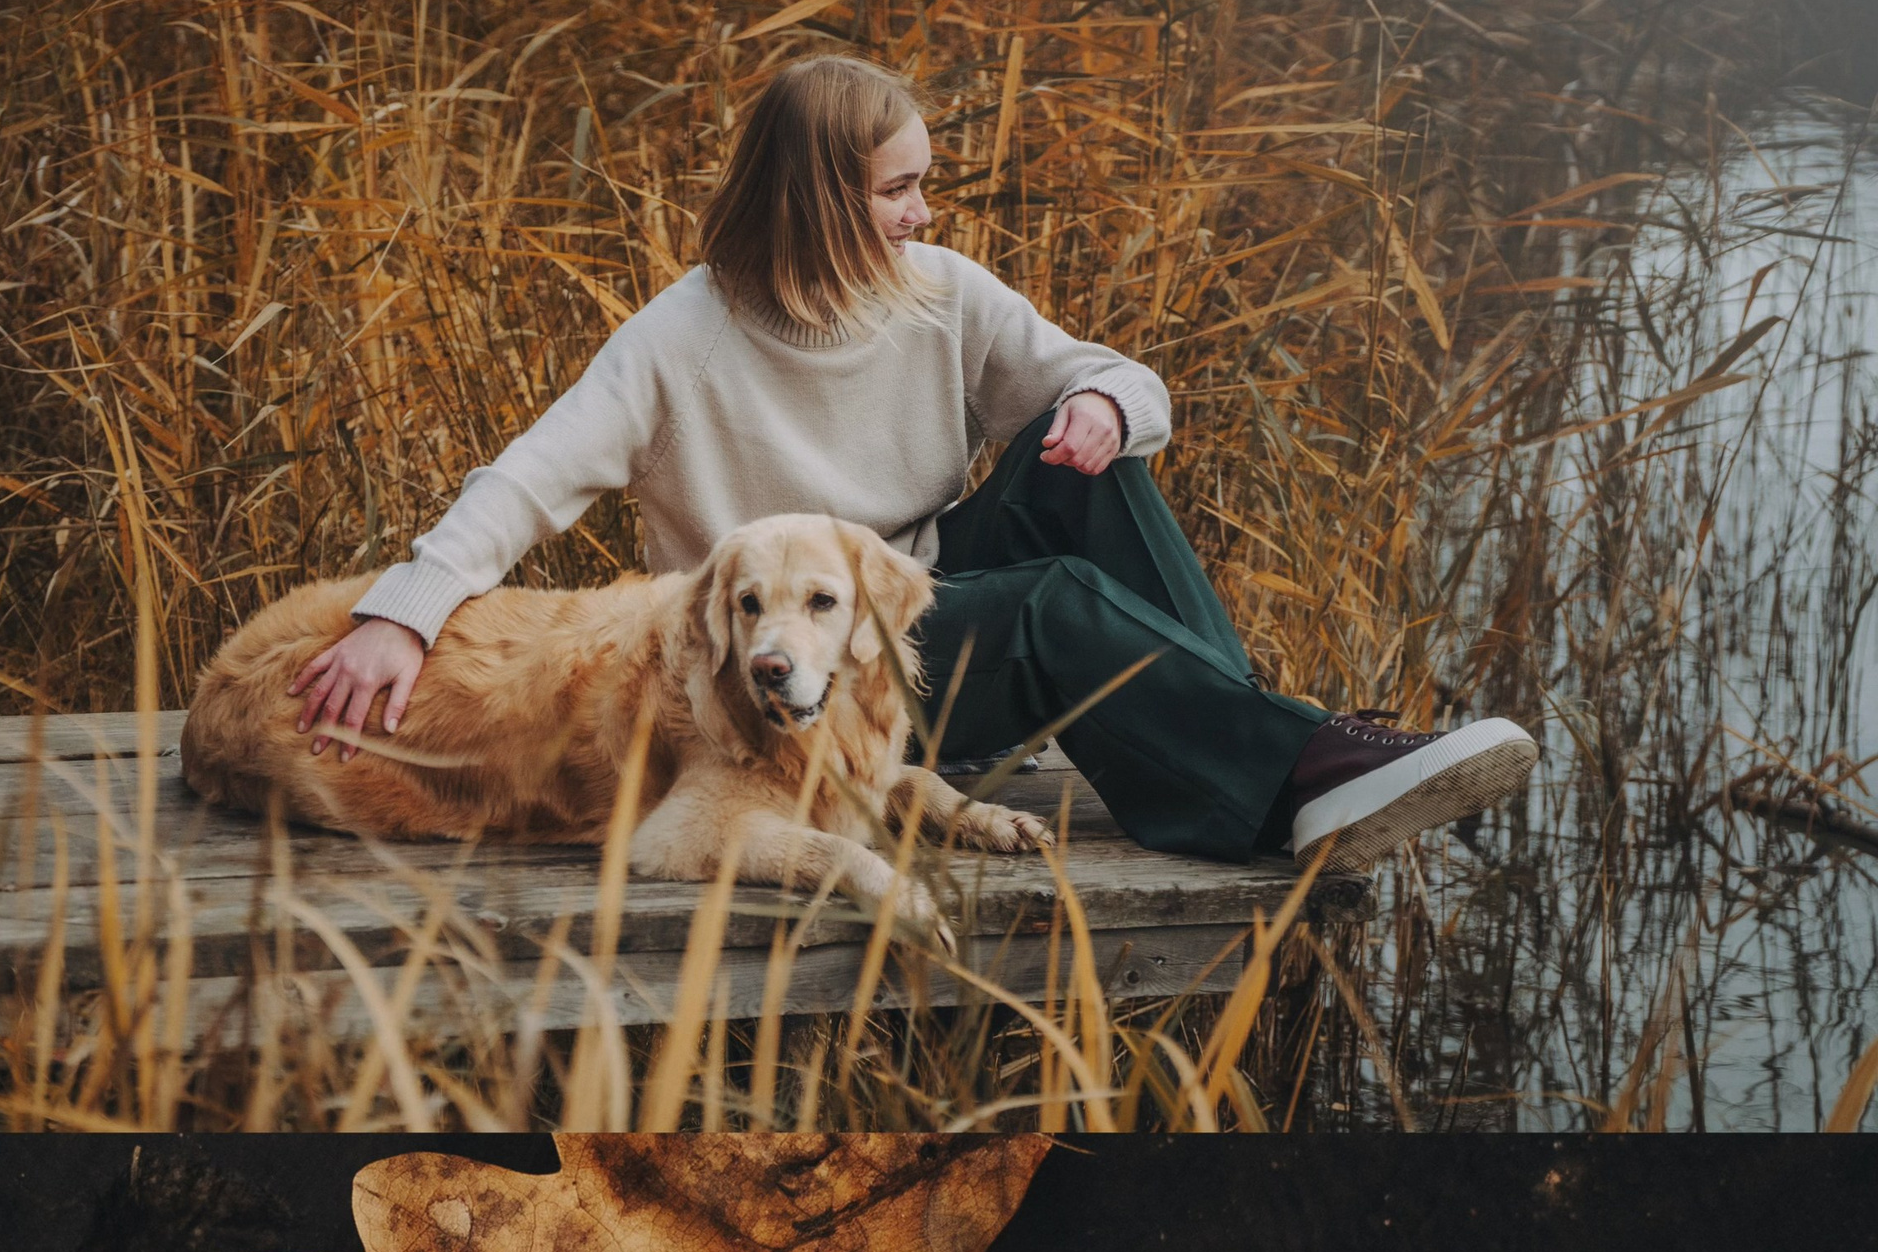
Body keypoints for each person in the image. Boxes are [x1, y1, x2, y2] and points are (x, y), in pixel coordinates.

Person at [291, 56, 1533, 871]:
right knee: (1051, 606)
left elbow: (1128, 380)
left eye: (921, 187)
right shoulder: (681, 339)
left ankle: (1267, 747)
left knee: (1092, 467)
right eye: (898, 191)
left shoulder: (937, 292)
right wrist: (402, 613)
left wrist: (1103, 405)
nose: (922, 214)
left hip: (915, 601)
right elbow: (525, 479)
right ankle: (1290, 764)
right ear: (820, 201)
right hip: (805, 676)